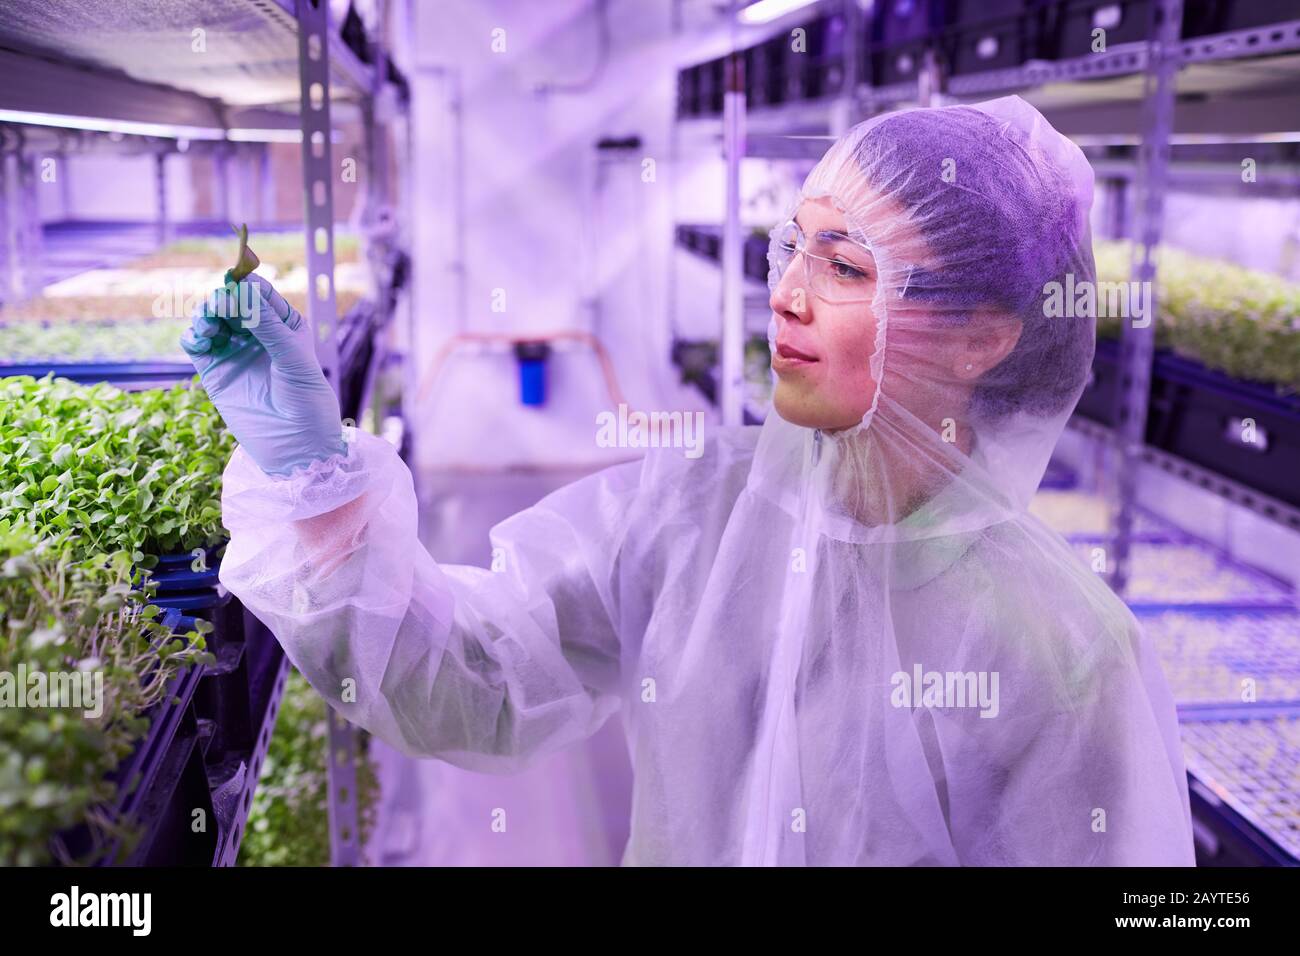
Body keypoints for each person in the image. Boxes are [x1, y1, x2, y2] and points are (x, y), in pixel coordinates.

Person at [182, 95, 1196, 866]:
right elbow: (472, 674)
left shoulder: (1066, 656)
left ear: (983, 334)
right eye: (791, 246)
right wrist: (310, 473)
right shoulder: (693, 507)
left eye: (846, 268)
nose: (786, 292)